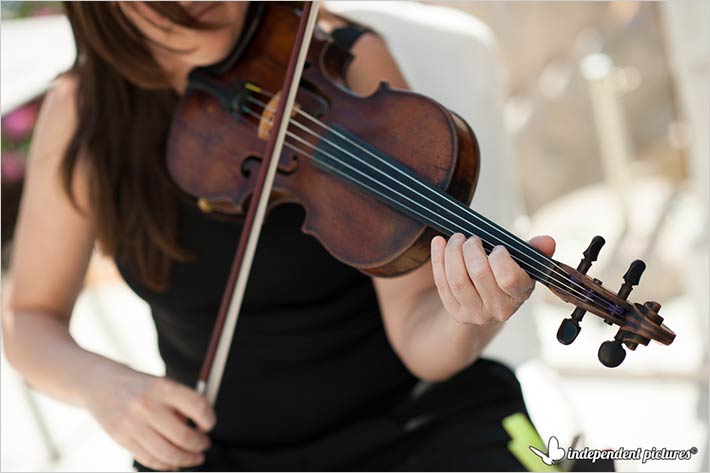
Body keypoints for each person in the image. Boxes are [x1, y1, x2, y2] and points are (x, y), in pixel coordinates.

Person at [3, 2, 556, 471]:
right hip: (218, 450)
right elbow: (28, 320)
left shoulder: (339, 60)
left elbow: (419, 335)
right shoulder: (85, 112)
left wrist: (471, 317)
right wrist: (105, 387)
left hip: (415, 424)